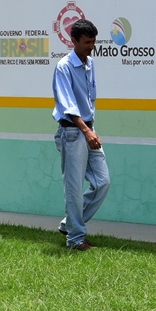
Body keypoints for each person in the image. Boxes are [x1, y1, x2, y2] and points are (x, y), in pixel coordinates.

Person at [53, 18, 110, 250]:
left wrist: (90, 130)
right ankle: (75, 238)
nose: (91, 46)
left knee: (102, 182)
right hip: (73, 132)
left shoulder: (90, 63)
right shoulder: (63, 67)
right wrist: (86, 131)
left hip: (88, 130)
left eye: (93, 42)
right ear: (73, 41)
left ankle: (69, 224)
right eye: (87, 42)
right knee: (74, 188)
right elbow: (68, 106)